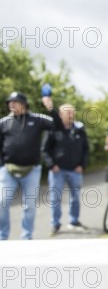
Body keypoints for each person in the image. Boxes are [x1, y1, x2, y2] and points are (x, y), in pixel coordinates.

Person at [0, 92, 58, 240]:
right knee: (2, 202)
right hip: (8, 170)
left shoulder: (37, 119)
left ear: (24, 104)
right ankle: (2, 237)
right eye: (9, 102)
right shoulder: (3, 122)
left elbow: (57, 125)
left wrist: (50, 107)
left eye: (15, 102)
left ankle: (26, 237)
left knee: (29, 205)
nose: (11, 104)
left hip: (32, 170)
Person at [42, 104, 90, 234]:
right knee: (55, 198)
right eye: (67, 112)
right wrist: (52, 165)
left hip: (75, 170)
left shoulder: (79, 129)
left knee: (75, 197)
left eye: (72, 112)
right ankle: (55, 224)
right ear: (60, 115)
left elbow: (86, 149)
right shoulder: (53, 129)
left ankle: (74, 221)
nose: (70, 114)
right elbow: (45, 149)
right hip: (58, 171)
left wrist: (82, 165)